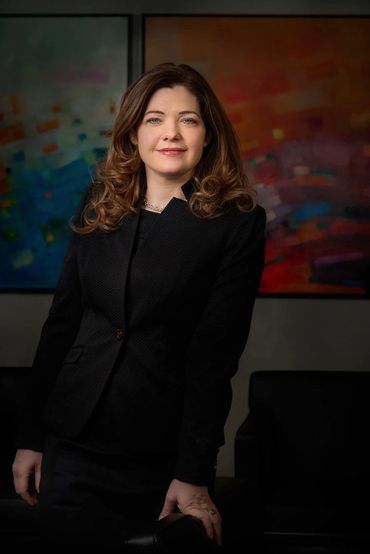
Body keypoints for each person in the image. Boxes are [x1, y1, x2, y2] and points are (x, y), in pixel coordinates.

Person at [12, 62, 266, 550]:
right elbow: (61, 324)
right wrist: (30, 435)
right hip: (72, 439)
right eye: (154, 118)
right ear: (132, 133)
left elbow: (216, 356)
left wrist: (194, 472)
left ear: (208, 135)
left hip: (160, 449)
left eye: (188, 120)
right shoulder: (98, 202)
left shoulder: (237, 223)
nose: (171, 132)